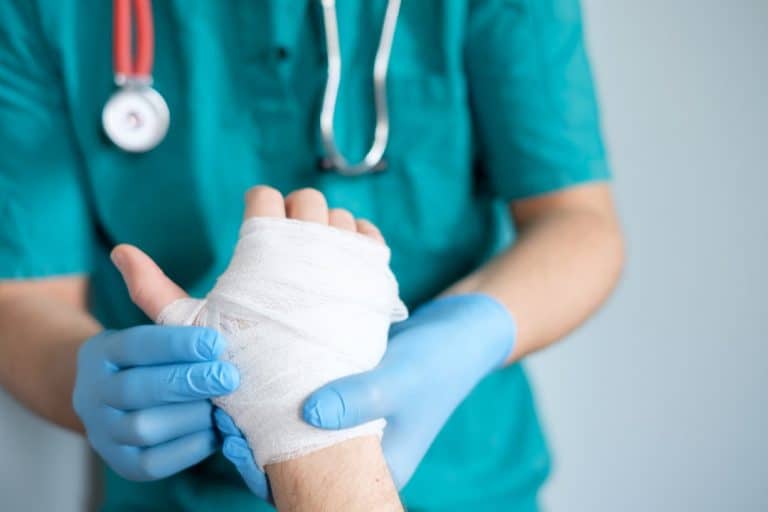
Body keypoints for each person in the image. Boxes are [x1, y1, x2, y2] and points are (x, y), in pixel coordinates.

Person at [0, 1, 624, 511]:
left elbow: (577, 221)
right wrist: (86, 379)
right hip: (178, 488)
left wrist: (464, 337)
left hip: (463, 474)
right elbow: (22, 293)